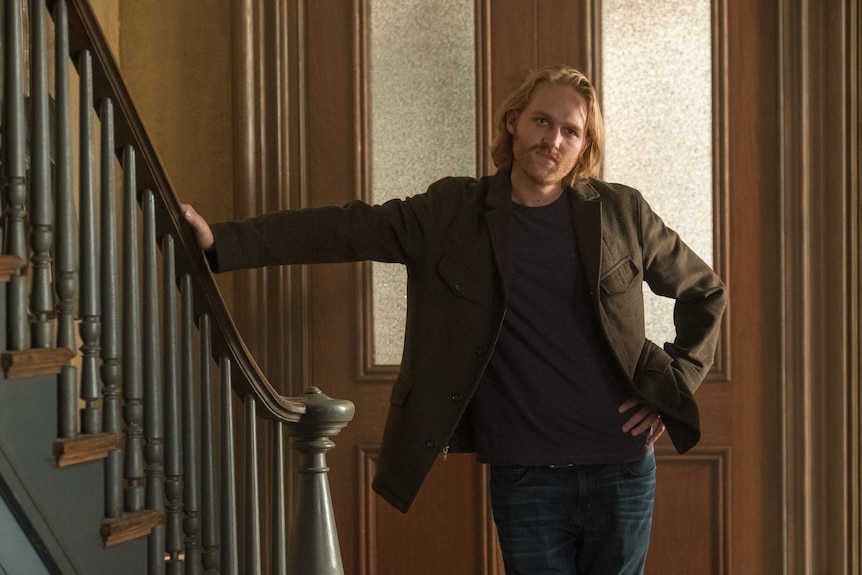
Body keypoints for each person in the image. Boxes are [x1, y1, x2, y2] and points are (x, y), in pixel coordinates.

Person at [182, 64, 726, 575]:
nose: (553, 140)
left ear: (585, 146)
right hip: (526, 473)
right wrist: (223, 242)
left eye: (570, 131)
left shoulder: (621, 211)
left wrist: (672, 386)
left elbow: (705, 292)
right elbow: (348, 228)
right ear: (514, 121)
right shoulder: (452, 211)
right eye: (542, 120)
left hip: (622, 467)